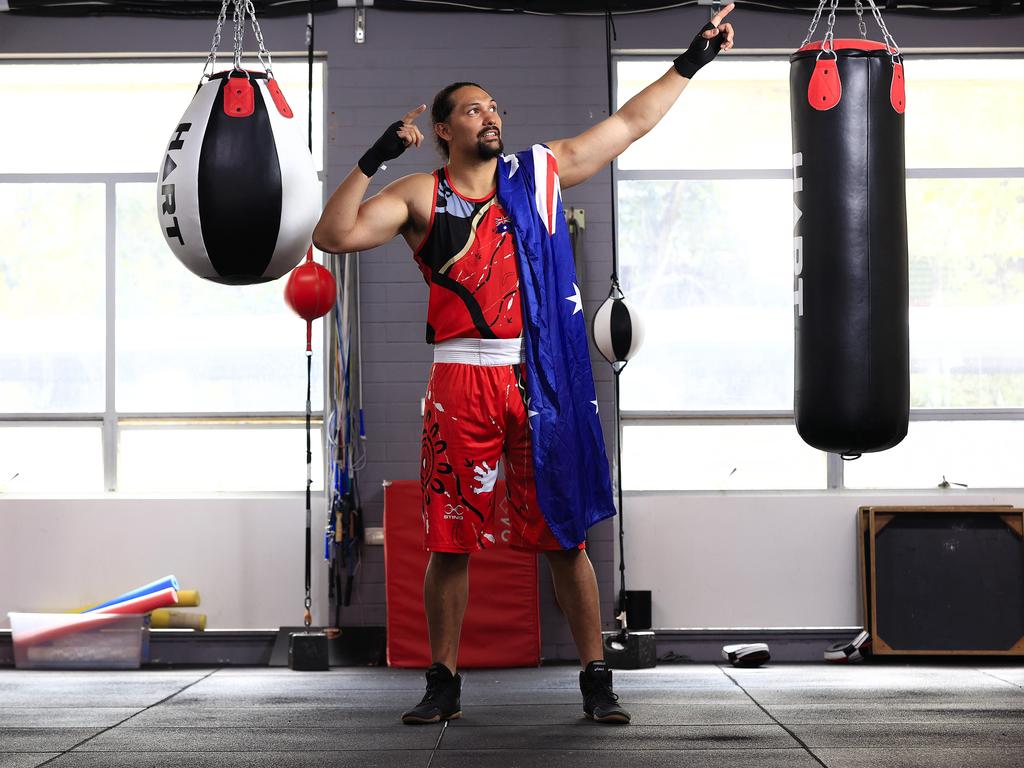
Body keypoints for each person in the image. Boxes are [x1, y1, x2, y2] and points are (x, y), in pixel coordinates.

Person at [313, 5, 737, 726]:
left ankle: (596, 676)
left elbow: (629, 125)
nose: (490, 116)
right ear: (444, 129)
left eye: (494, 107)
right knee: (450, 541)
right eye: (473, 108)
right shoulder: (422, 192)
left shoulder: (537, 175)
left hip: (536, 377)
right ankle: (443, 682)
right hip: (459, 382)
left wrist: (690, 61)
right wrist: (375, 156)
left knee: (563, 534)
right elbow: (334, 232)